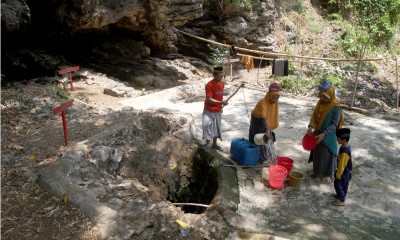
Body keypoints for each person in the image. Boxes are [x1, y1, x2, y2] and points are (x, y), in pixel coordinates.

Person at [307, 80, 345, 182]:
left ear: (331, 96)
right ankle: (316, 171)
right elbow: (314, 117)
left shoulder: (336, 108)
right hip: (318, 132)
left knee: (328, 153)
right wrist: (310, 126)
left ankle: (328, 174)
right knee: (317, 152)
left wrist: (324, 134)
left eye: (325, 97)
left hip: (329, 134)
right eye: (321, 96)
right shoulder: (319, 103)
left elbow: (334, 124)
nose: (322, 99)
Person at [249, 82, 281, 164]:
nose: (275, 101)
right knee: (259, 139)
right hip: (257, 121)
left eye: (277, 99)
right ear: (269, 96)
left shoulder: (274, 104)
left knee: (268, 138)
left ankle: (267, 155)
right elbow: (263, 118)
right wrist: (267, 129)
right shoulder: (263, 104)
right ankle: (260, 158)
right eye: (274, 98)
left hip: (264, 123)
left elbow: (271, 117)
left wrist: (268, 129)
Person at [202, 66, 228, 151]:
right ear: (214, 75)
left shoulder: (222, 83)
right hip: (209, 109)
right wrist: (221, 103)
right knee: (207, 125)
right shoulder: (209, 85)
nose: (220, 78)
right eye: (219, 76)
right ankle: (207, 143)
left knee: (217, 127)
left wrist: (221, 106)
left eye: (222, 76)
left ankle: (214, 144)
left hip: (218, 109)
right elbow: (208, 99)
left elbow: (220, 96)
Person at [331, 128, 352, 206]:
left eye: (338, 138)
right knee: (342, 185)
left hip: (344, 172)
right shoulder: (344, 146)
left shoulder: (345, 152)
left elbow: (342, 165)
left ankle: (342, 200)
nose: (337, 139)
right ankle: (340, 195)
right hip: (344, 171)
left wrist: (338, 174)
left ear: (344, 140)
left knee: (338, 184)